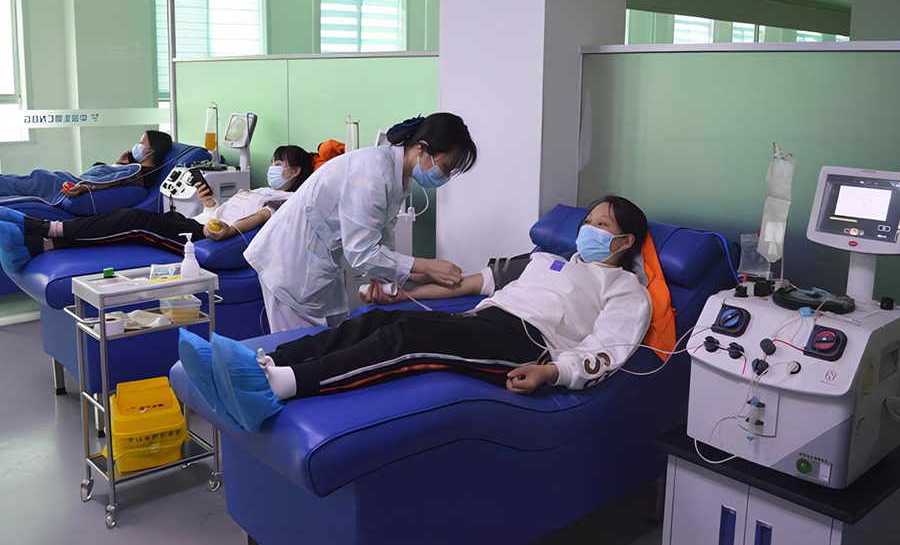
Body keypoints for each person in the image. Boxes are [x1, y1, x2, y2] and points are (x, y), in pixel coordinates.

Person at [179, 196, 653, 432]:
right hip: (483, 320)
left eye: (602, 224)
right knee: (376, 321)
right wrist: (399, 294)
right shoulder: (542, 259)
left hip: (528, 346)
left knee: (407, 342)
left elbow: (605, 351)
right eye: (588, 221)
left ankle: (279, 386)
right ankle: (261, 362)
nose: (589, 229)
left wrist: (553, 372)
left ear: (625, 240)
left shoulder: (626, 289)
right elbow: (469, 284)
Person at [244, 113, 478, 332]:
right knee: (299, 349)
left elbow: (381, 234)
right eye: (444, 167)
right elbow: (361, 252)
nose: (444, 177)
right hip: (291, 264)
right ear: (422, 148)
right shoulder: (372, 172)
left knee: (328, 340)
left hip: (314, 262)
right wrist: (425, 266)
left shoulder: (396, 176)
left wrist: (387, 276)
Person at [0, 146, 314, 275]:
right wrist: (209, 203)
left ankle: (43, 228)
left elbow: (259, 218)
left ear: (296, 171)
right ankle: (41, 244)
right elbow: (227, 212)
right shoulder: (259, 190)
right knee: (124, 227)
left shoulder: (287, 200)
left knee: (134, 221)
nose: (272, 168)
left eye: (278, 164)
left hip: (200, 238)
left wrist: (227, 230)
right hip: (196, 222)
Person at [0, 130, 173, 201]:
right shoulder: (134, 167)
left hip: (74, 183)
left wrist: (84, 187)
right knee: (34, 178)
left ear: (151, 150)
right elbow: (114, 178)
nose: (136, 146)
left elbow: (112, 182)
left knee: (38, 178)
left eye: (141, 143)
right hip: (73, 179)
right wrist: (117, 164)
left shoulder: (140, 172)